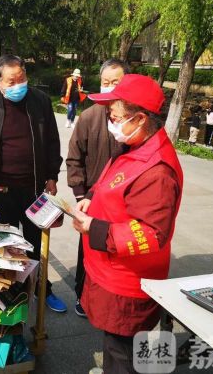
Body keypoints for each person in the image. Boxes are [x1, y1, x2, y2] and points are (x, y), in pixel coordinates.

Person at [70, 74, 183, 374]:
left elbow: (151, 233)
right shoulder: (134, 146)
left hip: (128, 282)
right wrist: (91, 197)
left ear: (141, 119)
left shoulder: (157, 171)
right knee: (114, 346)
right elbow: (111, 180)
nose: (111, 123)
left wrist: (93, 227)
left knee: (122, 352)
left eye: (116, 117)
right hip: (111, 270)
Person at [0, 54, 67, 313]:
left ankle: (42, 290)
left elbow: (52, 141)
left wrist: (52, 175)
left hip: (34, 191)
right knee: (7, 247)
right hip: (1, 193)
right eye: (11, 81)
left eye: (22, 78)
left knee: (36, 245)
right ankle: (11, 292)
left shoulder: (40, 102)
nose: (18, 85)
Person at [66, 58, 129, 317]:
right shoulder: (89, 117)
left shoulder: (133, 118)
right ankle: (82, 296)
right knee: (88, 249)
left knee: (117, 248)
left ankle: (113, 296)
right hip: (92, 198)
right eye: (106, 82)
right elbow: (74, 158)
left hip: (124, 200)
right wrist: (81, 194)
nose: (110, 86)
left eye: (116, 82)